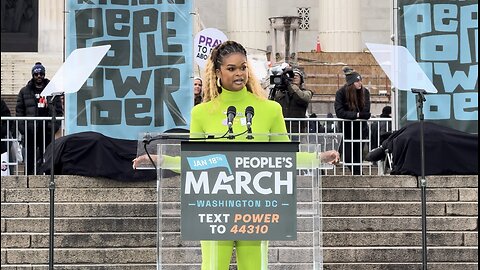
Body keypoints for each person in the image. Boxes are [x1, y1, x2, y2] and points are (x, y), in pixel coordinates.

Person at [133, 40, 339, 270]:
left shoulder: (270, 109)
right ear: (218, 72)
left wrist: (318, 158)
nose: (239, 73)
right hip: (214, 209)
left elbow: (284, 157)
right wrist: (161, 160)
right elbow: (196, 163)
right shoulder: (201, 113)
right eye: (231, 68)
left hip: (256, 210)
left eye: (243, 67)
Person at [16, 62, 63, 175]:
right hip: (30, 131)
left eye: (41, 74)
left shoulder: (53, 91)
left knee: (48, 157)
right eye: (36, 74)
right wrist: (24, 129)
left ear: (44, 74)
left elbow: (58, 111)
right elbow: (19, 111)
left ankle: (47, 178)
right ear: (33, 75)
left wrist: (53, 127)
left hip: (46, 130)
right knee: (30, 158)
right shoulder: (24, 91)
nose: (39, 76)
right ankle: (29, 179)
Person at [334, 66, 371, 175]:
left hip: (361, 130)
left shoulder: (365, 92)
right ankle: (360, 176)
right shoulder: (341, 93)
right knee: (348, 156)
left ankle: (359, 176)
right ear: (351, 83)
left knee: (358, 156)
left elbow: (366, 113)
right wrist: (357, 115)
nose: (360, 83)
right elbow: (339, 112)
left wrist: (356, 115)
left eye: (360, 80)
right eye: (357, 81)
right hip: (346, 130)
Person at [271, 67, 313, 134]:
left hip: (297, 130)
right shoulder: (281, 92)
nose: (294, 77)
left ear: (301, 80)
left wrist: (290, 85)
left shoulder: (307, 92)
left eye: (297, 76)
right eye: (292, 75)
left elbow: (302, 98)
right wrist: (277, 87)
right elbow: (272, 102)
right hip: (281, 128)